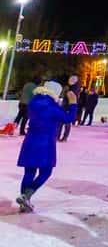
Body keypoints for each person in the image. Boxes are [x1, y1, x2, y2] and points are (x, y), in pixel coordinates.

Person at [16, 80, 77, 212]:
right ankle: (26, 195)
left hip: (30, 140)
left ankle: (23, 201)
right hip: (46, 143)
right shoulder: (53, 107)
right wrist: (73, 104)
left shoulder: (33, 102)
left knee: (29, 172)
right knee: (46, 171)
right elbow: (69, 118)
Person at [58, 76, 80, 142]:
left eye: (72, 80)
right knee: (60, 122)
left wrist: (70, 108)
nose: (70, 81)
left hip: (68, 108)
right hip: (64, 106)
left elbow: (73, 100)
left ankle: (64, 137)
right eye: (69, 79)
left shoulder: (74, 90)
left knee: (67, 123)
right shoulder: (69, 88)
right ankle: (57, 136)